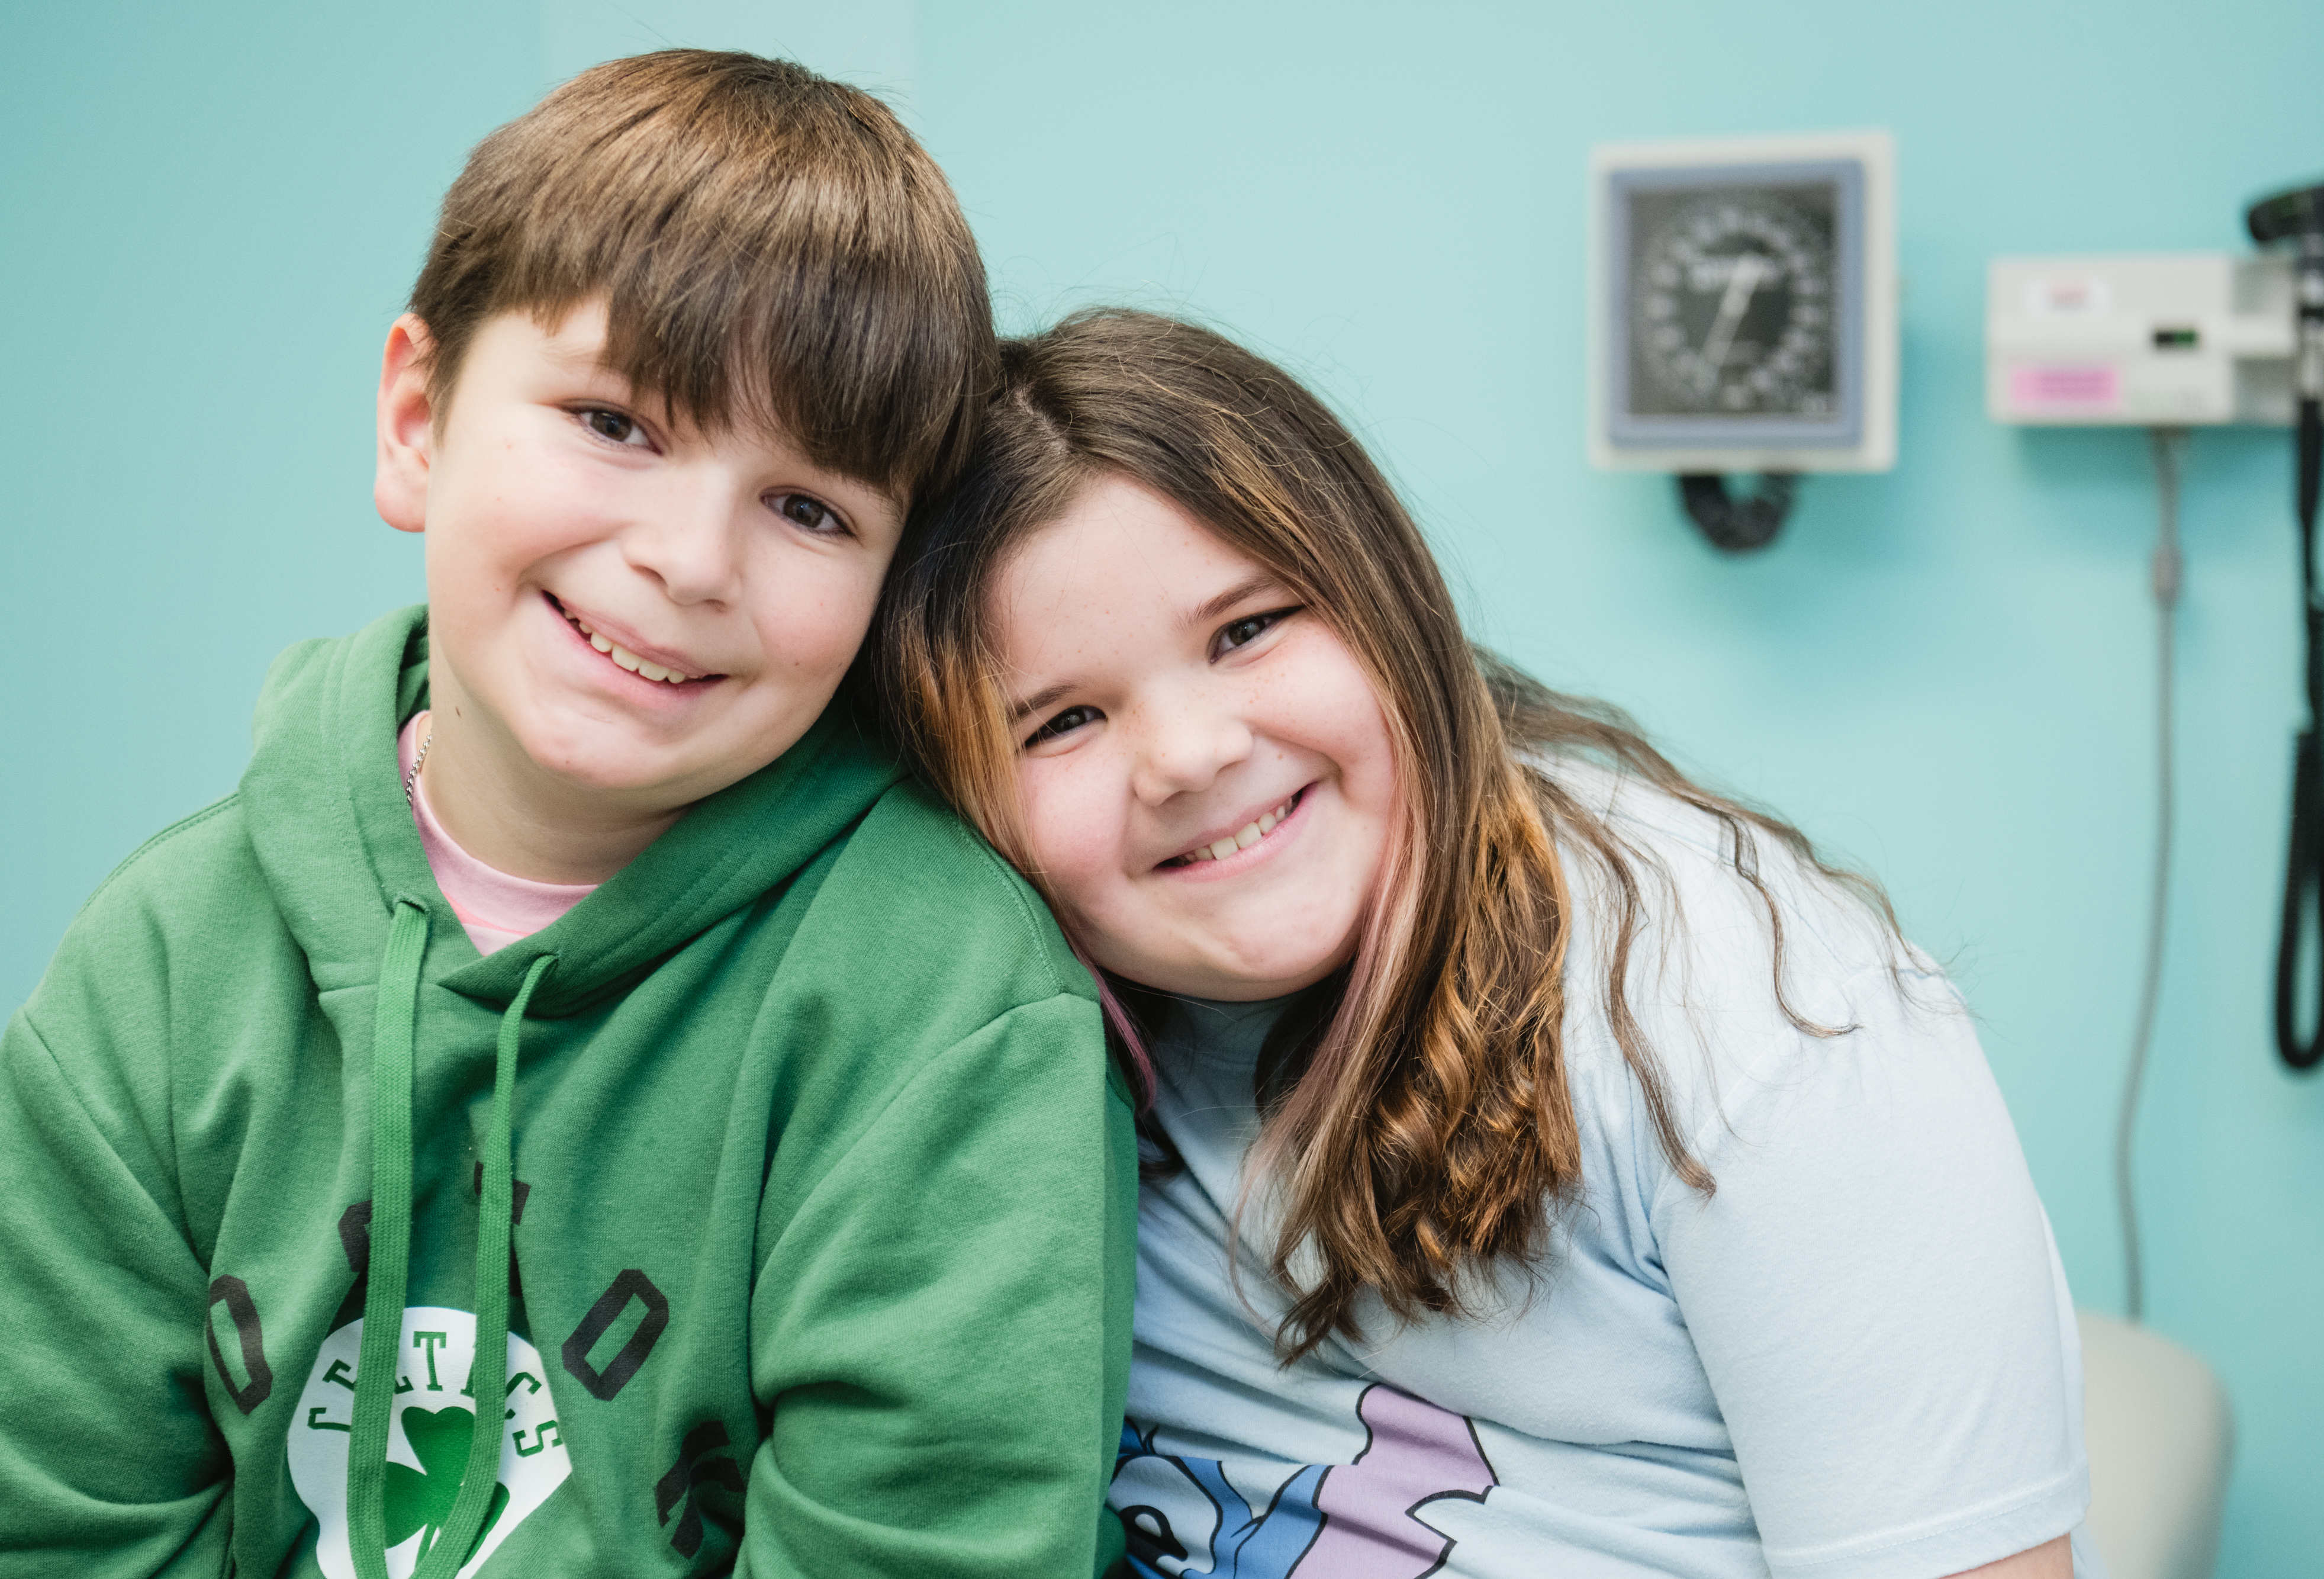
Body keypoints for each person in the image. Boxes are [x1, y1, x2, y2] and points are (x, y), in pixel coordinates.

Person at [0, 53, 1134, 1579]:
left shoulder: (946, 1007)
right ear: (418, 416)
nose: (689, 559)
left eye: (808, 508)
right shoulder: (156, 971)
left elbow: (928, 1543)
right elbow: (62, 1529)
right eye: (615, 422)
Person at [878, 308, 2100, 1579]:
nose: (1190, 753)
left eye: (1247, 629)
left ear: (1388, 606)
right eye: (1061, 720)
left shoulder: (1739, 1006)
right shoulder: (1005, 1037)